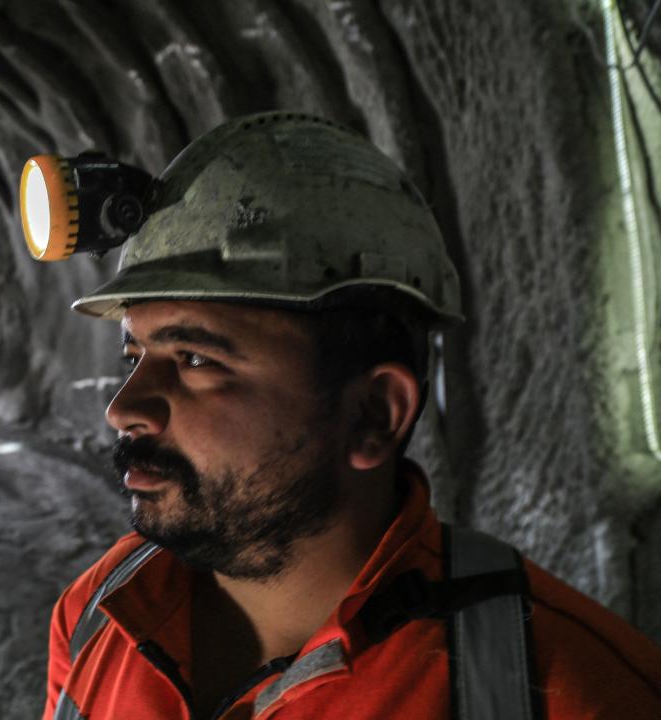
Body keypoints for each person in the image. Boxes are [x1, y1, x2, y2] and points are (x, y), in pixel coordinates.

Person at [38, 113, 661, 719]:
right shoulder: (99, 610)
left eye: (197, 358)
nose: (123, 410)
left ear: (374, 414)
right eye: (135, 356)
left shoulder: (572, 690)